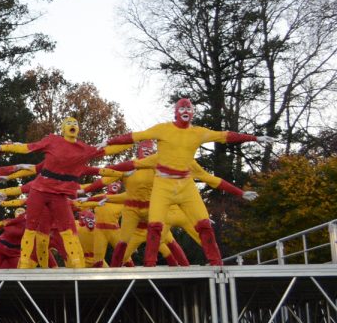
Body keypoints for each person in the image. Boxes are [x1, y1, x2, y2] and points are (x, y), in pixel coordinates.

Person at [106, 98, 266, 266]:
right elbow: (135, 138)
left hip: (185, 185)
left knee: (204, 224)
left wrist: (254, 139)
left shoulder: (197, 136)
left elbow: (222, 140)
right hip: (163, 185)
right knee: (155, 226)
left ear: (192, 113)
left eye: (188, 108)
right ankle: (149, 265)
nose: (185, 111)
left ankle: (216, 264)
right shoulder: (161, 137)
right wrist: (108, 146)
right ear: (175, 112)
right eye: (181, 108)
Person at [0, 117, 127, 269]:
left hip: (59, 196)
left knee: (68, 231)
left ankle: (77, 264)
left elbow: (101, 166)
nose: (72, 125)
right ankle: (25, 263)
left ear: (78, 129)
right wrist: (4, 149)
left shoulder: (83, 150)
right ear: (62, 129)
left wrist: (129, 142)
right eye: (69, 124)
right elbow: (28, 150)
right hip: (39, 191)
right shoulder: (52, 141)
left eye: (75, 124)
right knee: (32, 229)